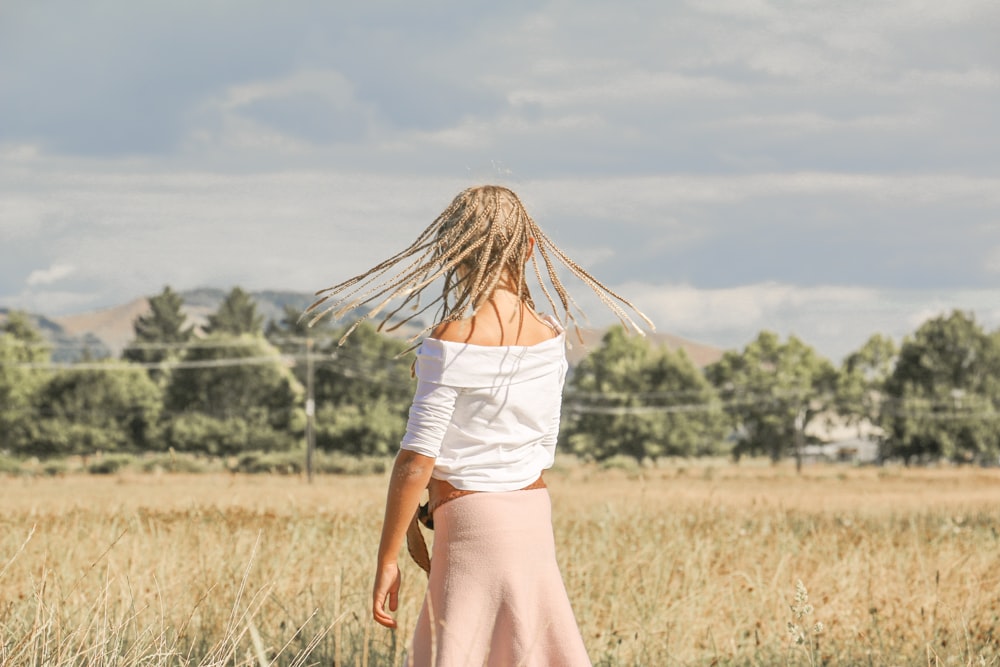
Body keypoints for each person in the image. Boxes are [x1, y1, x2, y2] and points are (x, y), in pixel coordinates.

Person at [306, 185, 652, 666]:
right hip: (532, 516)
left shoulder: (454, 338)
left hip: (473, 526)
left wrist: (388, 557)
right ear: (530, 247)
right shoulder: (552, 335)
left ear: (453, 251)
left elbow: (416, 459)